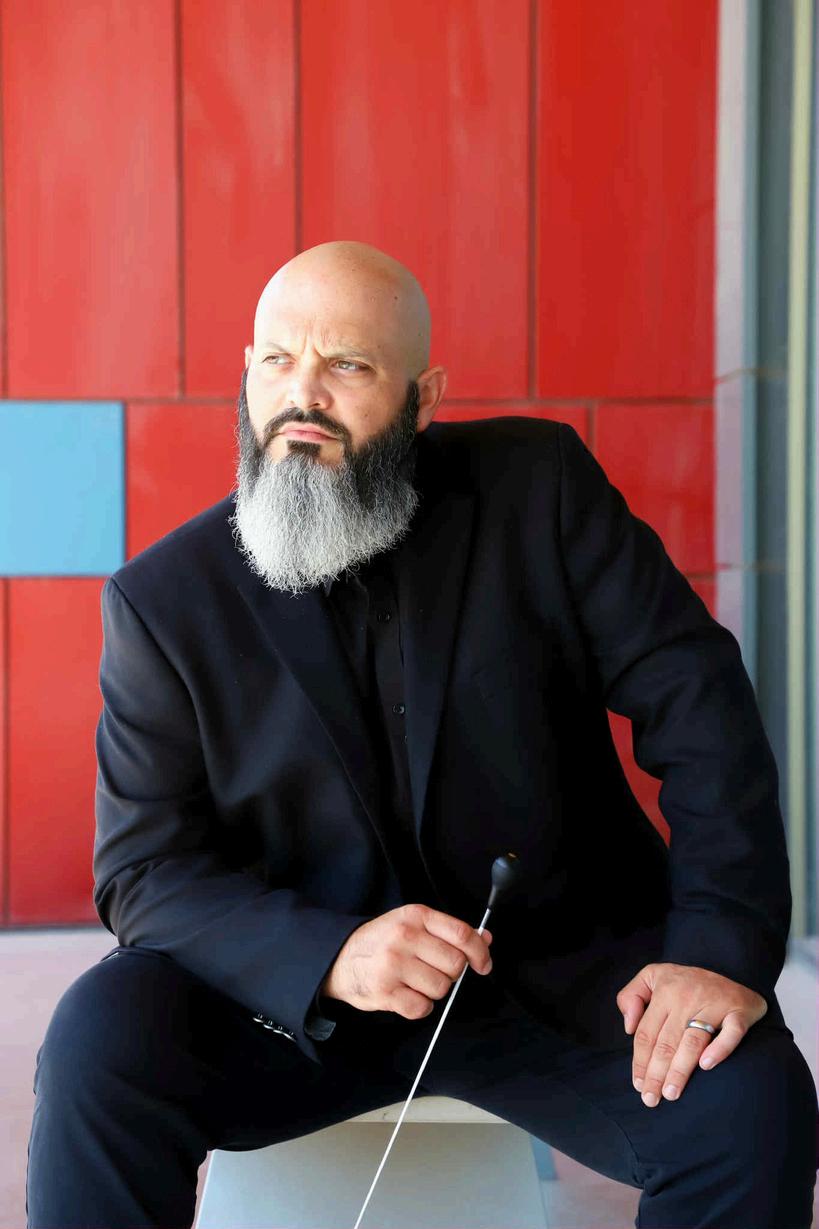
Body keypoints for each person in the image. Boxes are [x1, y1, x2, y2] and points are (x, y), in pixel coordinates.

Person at [26, 241, 817, 1228]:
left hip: (564, 982)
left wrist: (717, 948)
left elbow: (698, 703)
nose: (302, 395)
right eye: (277, 360)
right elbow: (145, 867)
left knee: (749, 1103)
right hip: (292, 1005)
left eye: (347, 364)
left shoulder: (541, 488)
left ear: (424, 394)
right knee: (100, 1041)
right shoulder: (163, 601)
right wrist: (331, 954)